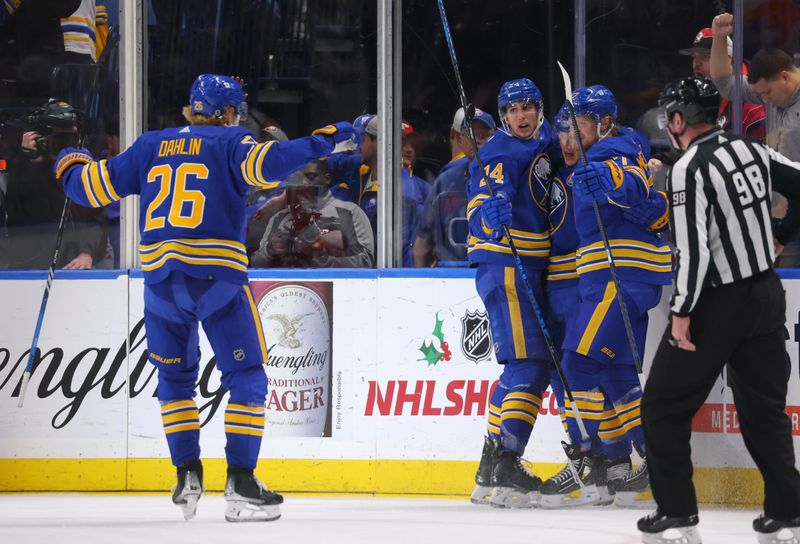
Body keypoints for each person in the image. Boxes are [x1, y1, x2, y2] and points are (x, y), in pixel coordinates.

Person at [53, 74, 355, 522]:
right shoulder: (231, 142)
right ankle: (241, 481)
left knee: (174, 383)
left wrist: (66, 159)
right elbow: (269, 165)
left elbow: (87, 188)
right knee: (248, 378)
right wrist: (323, 140)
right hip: (217, 283)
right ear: (229, 111)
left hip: (160, 287)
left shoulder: (150, 145)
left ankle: (186, 473)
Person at [638, 76, 800, 544]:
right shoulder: (752, 151)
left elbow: (691, 250)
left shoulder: (688, 168)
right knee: (764, 410)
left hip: (715, 303)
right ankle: (788, 511)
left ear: (677, 119)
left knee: (663, 407)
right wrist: (782, 234)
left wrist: (682, 311)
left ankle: (677, 512)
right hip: (765, 296)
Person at [538, 85, 670, 509]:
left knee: (576, 363)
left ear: (604, 122)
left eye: (578, 126)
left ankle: (587, 462)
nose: (570, 136)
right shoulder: (605, 150)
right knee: (617, 379)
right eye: (565, 128)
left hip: (620, 277)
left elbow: (631, 182)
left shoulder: (612, 150)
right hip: (608, 279)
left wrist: (611, 178)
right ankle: (650, 464)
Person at [466, 77, 554, 509]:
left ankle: (489, 468)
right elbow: (480, 202)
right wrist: (489, 213)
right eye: (513, 109)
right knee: (529, 364)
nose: (521, 116)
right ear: (502, 116)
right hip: (506, 266)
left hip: (527, 269)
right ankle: (507, 465)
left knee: (523, 369)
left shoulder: (540, 142)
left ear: (539, 110)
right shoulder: (499, 150)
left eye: (528, 107)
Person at [710, 13, 800, 266]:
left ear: (784, 76)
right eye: (761, 95)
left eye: (767, 92)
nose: (765, 100)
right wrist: (719, 38)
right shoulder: (770, 95)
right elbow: (725, 84)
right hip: (776, 215)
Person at [2, 98, 113, 269]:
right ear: (40, 138)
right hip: (34, 263)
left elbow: (96, 217)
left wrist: (87, 252)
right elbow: (19, 216)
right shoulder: (25, 165)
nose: (64, 143)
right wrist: (35, 163)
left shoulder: (82, 163)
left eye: (70, 136)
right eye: (59, 136)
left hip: (77, 260)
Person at [250, 159, 374, 268]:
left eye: (311, 177)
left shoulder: (350, 213)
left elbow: (365, 262)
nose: (304, 183)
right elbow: (255, 263)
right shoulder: (280, 217)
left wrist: (317, 256)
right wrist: (270, 250)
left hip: (337, 291)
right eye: (298, 179)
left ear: (327, 178)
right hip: (286, 288)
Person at [413, 107, 495, 267]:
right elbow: (422, 242)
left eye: (484, 135)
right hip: (449, 275)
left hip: (491, 271)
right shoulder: (445, 181)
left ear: (495, 139)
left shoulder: (506, 176)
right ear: (460, 139)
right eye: (470, 134)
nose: (477, 140)